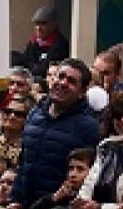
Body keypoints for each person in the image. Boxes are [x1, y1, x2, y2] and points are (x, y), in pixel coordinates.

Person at [12, 60, 101, 207]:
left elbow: (86, 177)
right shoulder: (35, 113)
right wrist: (15, 199)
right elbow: (23, 162)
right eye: (60, 76)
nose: (63, 83)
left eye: (71, 81)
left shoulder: (88, 126)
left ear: (82, 92)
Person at [77, 94, 123, 208]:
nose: (122, 120)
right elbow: (90, 181)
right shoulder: (106, 146)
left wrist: (101, 207)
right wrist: (82, 200)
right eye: (118, 115)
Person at [28, 148, 93, 209]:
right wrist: (55, 197)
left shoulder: (93, 202)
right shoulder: (64, 197)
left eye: (80, 169)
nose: (72, 174)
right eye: (71, 168)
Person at [24, 6, 71, 81]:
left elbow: (43, 70)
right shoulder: (33, 42)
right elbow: (25, 62)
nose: (38, 28)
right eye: (36, 24)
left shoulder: (60, 45)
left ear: (53, 25)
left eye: (43, 24)